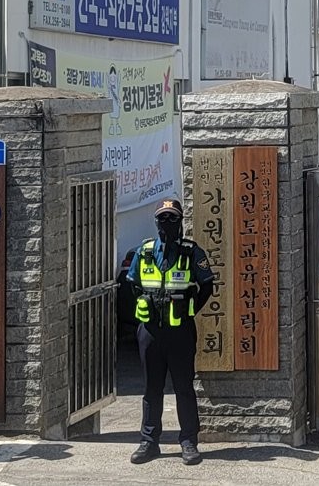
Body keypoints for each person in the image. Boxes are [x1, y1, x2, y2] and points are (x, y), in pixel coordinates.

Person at [127, 198, 214, 466]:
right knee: (151, 389)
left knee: (183, 388)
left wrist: (187, 311)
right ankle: (149, 442)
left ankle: (188, 442)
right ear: (156, 222)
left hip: (180, 332)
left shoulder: (191, 252)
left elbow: (207, 287)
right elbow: (132, 285)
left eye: (173, 218)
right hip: (151, 331)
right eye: (163, 218)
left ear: (181, 222)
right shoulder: (145, 251)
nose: (167, 223)